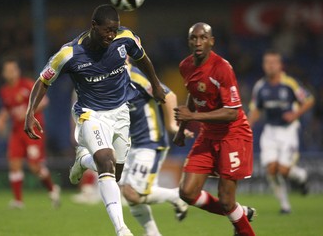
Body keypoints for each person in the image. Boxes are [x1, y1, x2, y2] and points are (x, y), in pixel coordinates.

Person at [24, 4, 166, 236]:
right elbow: (43, 80)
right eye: (107, 30)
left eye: (114, 30)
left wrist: (157, 85)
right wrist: (31, 112)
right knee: (105, 160)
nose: (111, 36)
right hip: (90, 114)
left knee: (115, 174)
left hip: (120, 113)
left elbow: (143, 59)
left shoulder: (126, 39)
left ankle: (83, 161)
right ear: (93, 26)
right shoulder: (69, 54)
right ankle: (121, 229)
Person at [173, 22, 256, 236]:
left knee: (228, 201)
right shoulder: (185, 66)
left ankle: (241, 224)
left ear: (211, 41)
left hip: (233, 135)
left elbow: (232, 112)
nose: (198, 42)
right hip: (208, 134)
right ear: (189, 41)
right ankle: (240, 213)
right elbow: (194, 94)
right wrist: (182, 129)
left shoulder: (222, 68)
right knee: (187, 192)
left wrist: (193, 117)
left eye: (203, 38)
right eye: (194, 38)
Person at [119, 59, 193, 236]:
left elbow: (169, 96)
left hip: (149, 142)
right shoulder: (111, 80)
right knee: (128, 193)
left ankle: (175, 196)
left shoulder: (136, 77)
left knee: (132, 193)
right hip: (131, 144)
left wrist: (173, 126)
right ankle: (153, 234)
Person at [248, 50, 315, 214]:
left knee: (283, 170)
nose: (270, 66)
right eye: (267, 62)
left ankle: (301, 176)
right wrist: (246, 127)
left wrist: (295, 114)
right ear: (264, 65)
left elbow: (309, 99)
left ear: (280, 65)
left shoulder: (289, 83)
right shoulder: (260, 86)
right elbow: (256, 110)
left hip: (288, 131)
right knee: (271, 169)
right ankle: (285, 206)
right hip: (270, 131)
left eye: (273, 62)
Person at [0, 57, 60, 209]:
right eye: (7, 71)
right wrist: (1, 119)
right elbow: (7, 108)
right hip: (17, 131)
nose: (10, 73)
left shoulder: (28, 84)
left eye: (13, 70)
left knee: (34, 167)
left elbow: (44, 101)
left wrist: (28, 112)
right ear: (4, 74)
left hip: (32, 130)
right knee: (14, 164)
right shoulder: (4, 91)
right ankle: (18, 201)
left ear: (18, 71)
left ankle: (52, 189)